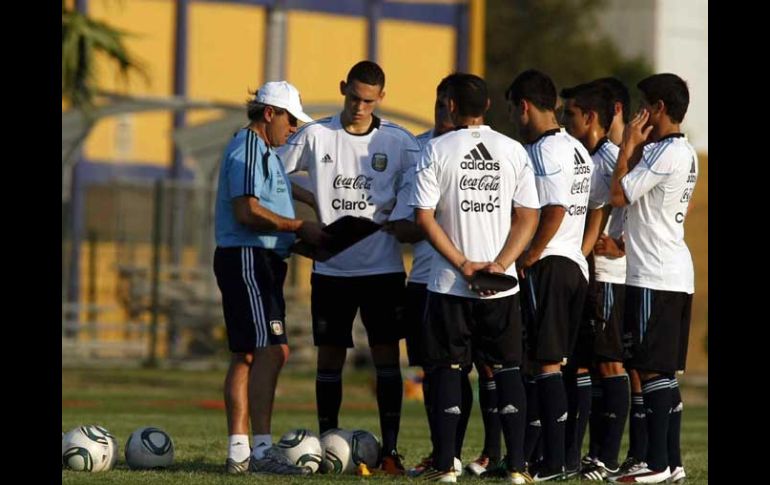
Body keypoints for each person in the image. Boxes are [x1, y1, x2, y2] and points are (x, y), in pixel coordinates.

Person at [277, 60, 421, 474]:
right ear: (343, 88)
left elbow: (423, 183)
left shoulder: (399, 141)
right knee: (329, 360)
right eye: (354, 97)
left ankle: (391, 451)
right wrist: (309, 201)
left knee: (386, 359)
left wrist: (405, 212)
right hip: (332, 270)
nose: (360, 106)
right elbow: (271, 173)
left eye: (369, 100)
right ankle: (327, 445)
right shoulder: (315, 134)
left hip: (382, 271)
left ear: (381, 98)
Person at [412, 72, 540, 484]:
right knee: (506, 370)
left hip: (450, 283)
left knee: (448, 369)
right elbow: (529, 216)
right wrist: (500, 264)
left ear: (450, 105)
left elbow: (423, 217)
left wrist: (463, 263)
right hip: (500, 287)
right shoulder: (513, 150)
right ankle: (518, 468)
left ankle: (447, 465)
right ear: (485, 107)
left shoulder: (436, 149)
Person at [213, 81, 326, 475]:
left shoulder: (267, 154)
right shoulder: (247, 147)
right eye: (291, 120)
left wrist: (308, 236)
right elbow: (246, 211)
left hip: (260, 258)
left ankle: (240, 452)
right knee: (273, 350)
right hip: (248, 259)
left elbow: (270, 211)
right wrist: (299, 226)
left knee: (247, 353)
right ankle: (260, 450)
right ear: (269, 114)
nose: (294, 129)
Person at [607, 73, 697, 484]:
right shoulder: (683, 152)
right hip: (673, 272)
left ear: (658, 108)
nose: (640, 113)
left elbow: (619, 194)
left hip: (654, 275)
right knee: (660, 371)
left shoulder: (664, 153)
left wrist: (626, 146)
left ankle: (656, 464)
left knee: (651, 370)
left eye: (645, 105)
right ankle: (673, 463)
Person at [506, 69, 594, 481]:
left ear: (524, 107)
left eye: (513, 111)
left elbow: (555, 208)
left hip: (552, 264)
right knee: (549, 363)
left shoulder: (545, 150)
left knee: (545, 365)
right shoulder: (576, 148)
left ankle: (555, 462)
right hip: (574, 263)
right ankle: (545, 457)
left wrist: (530, 254)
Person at [388, 74, 472, 478]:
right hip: (422, 278)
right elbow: (406, 216)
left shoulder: (476, 151)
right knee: (429, 369)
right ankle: (443, 453)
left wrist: (422, 221)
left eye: (447, 105)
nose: (441, 112)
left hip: (463, 277)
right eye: (437, 104)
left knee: (464, 368)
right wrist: (413, 221)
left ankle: (459, 453)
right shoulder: (418, 147)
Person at [560, 81, 630, 480]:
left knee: (608, 363)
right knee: (582, 363)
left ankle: (604, 457)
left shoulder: (606, 159)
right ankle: (575, 455)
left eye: (570, 113)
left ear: (589, 118)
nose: (566, 120)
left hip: (603, 275)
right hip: (585, 272)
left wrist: (612, 246)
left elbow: (608, 211)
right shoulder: (581, 155)